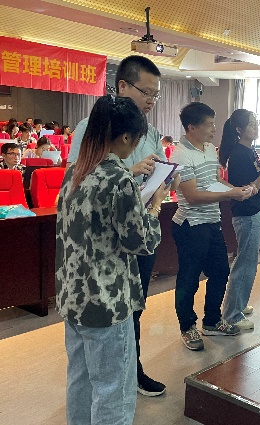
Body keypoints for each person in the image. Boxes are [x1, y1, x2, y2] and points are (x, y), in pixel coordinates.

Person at [55, 95, 171, 425]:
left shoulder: (74, 173)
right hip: (107, 301)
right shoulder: (119, 180)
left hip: (72, 296)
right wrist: (155, 205)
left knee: (80, 381)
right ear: (125, 137)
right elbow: (141, 241)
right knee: (113, 390)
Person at [171, 102, 254, 351]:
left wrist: (236, 189)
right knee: (189, 279)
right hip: (191, 224)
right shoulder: (181, 155)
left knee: (220, 272)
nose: (214, 129)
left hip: (211, 221)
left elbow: (216, 180)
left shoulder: (209, 148)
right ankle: (187, 327)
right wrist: (229, 195)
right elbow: (192, 196)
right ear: (192, 127)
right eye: (209, 125)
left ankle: (212, 321)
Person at [218, 109, 260, 329]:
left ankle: (238, 304)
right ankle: (232, 314)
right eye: (251, 124)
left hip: (254, 211)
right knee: (245, 263)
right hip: (247, 213)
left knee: (247, 261)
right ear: (239, 129)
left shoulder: (248, 151)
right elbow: (247, 190)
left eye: (256, 123)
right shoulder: (239, 154)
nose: (256, 127)